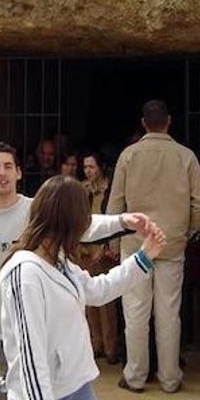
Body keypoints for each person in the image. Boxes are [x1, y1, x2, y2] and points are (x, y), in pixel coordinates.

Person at [0, 142, 155, 400]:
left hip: (60, 369)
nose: (1, 173)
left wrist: (123, 224)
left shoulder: (39, 221)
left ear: (18, 172)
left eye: (7, 166)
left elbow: (85, 232)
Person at [0, 175, 167, 400]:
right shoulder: (25, 275)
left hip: (76, 387)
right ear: (70, 223)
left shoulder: (59, 261)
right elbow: (30, 359)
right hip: (42, 397)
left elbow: (98, 290)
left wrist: (143, 257)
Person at [108, 99, 200, 394]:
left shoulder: (129, 155)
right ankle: (170, 378)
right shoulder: (185, 156)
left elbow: (115, 202)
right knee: (168, 313)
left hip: (136, 243)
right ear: (169, 121)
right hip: (171, 244)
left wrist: (114, 238)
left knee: (136, 313)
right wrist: (186, 231)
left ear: (143, 123)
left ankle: (136, 376)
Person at [79, 152, 120, 364]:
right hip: (85, 251)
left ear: (100, 168)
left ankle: (111, 346)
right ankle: (96, 345)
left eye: (92, 166)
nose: (88, 171)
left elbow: (110, 219)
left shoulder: (109, 189)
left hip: (102, 252)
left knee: (106, 302)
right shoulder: (82, 190)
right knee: (88, 303)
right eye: (85, 167)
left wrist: (105, 248)